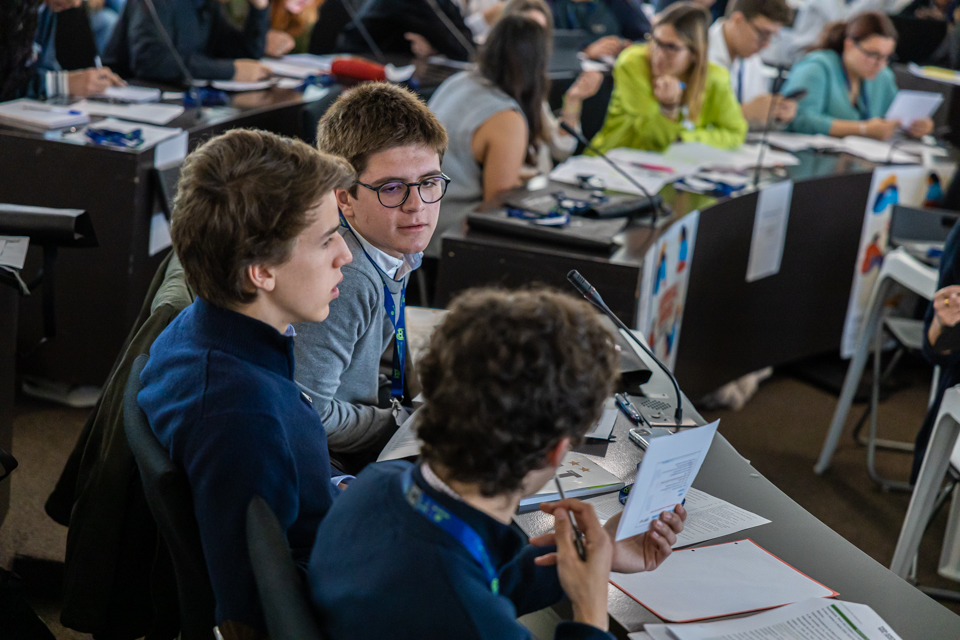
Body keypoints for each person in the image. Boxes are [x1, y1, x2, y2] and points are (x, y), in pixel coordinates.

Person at [308, 288, 687, 640]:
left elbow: (468, 577)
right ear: (554, 453)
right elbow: (463, 600)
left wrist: (600, 553)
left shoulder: (377, 484)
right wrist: (590, 611)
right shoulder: (474, 621)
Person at [137, 129, 355, 636]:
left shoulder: (200, 328)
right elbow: (257, 608)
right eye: (326, 239)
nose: (344, 254)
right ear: (261, 271)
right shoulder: (239, 416)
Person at [295, 83, 448, 469]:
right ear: (344, 197)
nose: (418, 207)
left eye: (429, 182)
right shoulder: (346, 276)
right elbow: (307, 416)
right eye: (392, 188)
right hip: (329, 463)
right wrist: (397, 422)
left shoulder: (392, 243)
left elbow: (369, 360)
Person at [428, 12, 601, 255]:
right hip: (449, 237)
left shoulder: (459, 81)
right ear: (537, 62)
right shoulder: (505, 117)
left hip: (424, 219)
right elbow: (497, 203)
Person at [589, 2, 748, 153]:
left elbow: (735, 132)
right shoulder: (633, 63)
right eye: (656, 41)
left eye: (671, 47)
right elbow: (652, 138)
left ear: (694, 53)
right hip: (614, 162)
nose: (658, 54)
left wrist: (684, 138)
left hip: (675, 168)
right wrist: (668, 107)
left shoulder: (715, 76)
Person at [781, 12, 935, 140]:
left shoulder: (883, 76)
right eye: (872, 54)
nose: (879, 64)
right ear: (849, 45)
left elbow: (895, 118)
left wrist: (914, 125)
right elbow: (801, 119)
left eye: (886, 57)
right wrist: (863, 129)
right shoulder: (816, 67)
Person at [108, 0, 273, 82]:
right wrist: (229, 71)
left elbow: (247, 54)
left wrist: (259, 9)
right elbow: (152, 63)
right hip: (127, 101)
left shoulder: (208, 5)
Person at [0, 0, 124, 101]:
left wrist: (83, 80)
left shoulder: (46, 9)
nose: (76, 3)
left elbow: (45, 67)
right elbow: (6, 84)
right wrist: (63, 84)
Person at [707, 0, 797, 127]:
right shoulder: (699, 54)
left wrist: (775, 114)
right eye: (763, 34)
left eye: (772, 36)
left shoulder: (752, 59)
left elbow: (755, 117)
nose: (766, 44)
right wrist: (742, 113)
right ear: (738, 20)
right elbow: (691, 121)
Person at [336, 0, 477, 61]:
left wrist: (433, 46)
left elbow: (463, 40)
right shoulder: (408, 2)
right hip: (362, 67)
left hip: (397, 62)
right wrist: (438, 44)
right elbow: (464, 49)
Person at [550, 0, 651, 52]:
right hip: (567, 79)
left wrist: (626, 47)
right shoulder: (552, 6)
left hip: (611, 76)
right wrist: (585, 52)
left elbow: (645, 37)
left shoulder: (616, 4)